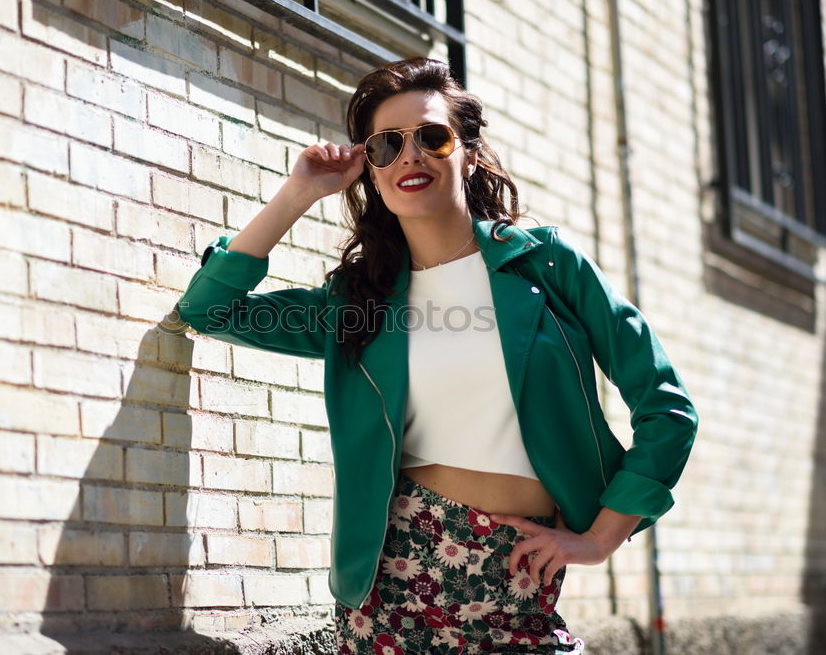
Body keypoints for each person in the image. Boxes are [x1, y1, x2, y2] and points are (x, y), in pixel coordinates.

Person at [174, 57, 698, 654]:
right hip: (388, 585)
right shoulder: (360, 301)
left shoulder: (545, 264)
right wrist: (299, 193)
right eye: (386, 145)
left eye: (431, 136)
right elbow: (211, 311)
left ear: (468, 152)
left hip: (515, 579)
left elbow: (666, 407)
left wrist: (601, 537)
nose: (409, 156)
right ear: (369, 168)